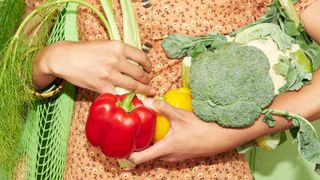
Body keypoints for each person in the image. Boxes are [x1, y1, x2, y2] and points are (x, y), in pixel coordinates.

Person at [27, 0, 320, 179]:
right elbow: (16, 75)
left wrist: (230, 133)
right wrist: (48, 59)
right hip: (84, 169)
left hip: (205, 171)